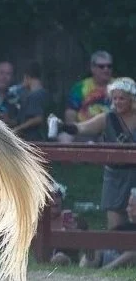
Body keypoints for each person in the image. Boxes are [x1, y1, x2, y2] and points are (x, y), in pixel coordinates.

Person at [55, 77, 136, 229]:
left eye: (122, 98)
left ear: (131, 99)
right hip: (115, 177)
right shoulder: (108, 118)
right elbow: (82, 128)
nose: (117, 102)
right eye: (115, 98)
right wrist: (62, 126)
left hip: (135, 174)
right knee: (115, 228)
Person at [79, 190, 136, 270]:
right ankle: (84, 270)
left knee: (133, 253)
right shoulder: (126, 226)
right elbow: (108, 237)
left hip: (126, 260)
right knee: (95, 249)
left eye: (130, 206)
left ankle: (103, 271)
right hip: (113, 255)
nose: (127, 209)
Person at [12, 60, 48, 141]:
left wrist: (17, 129)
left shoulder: (34, 95)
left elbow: (38, 118)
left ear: (27, 77)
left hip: (34, 139)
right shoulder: (44, 93)